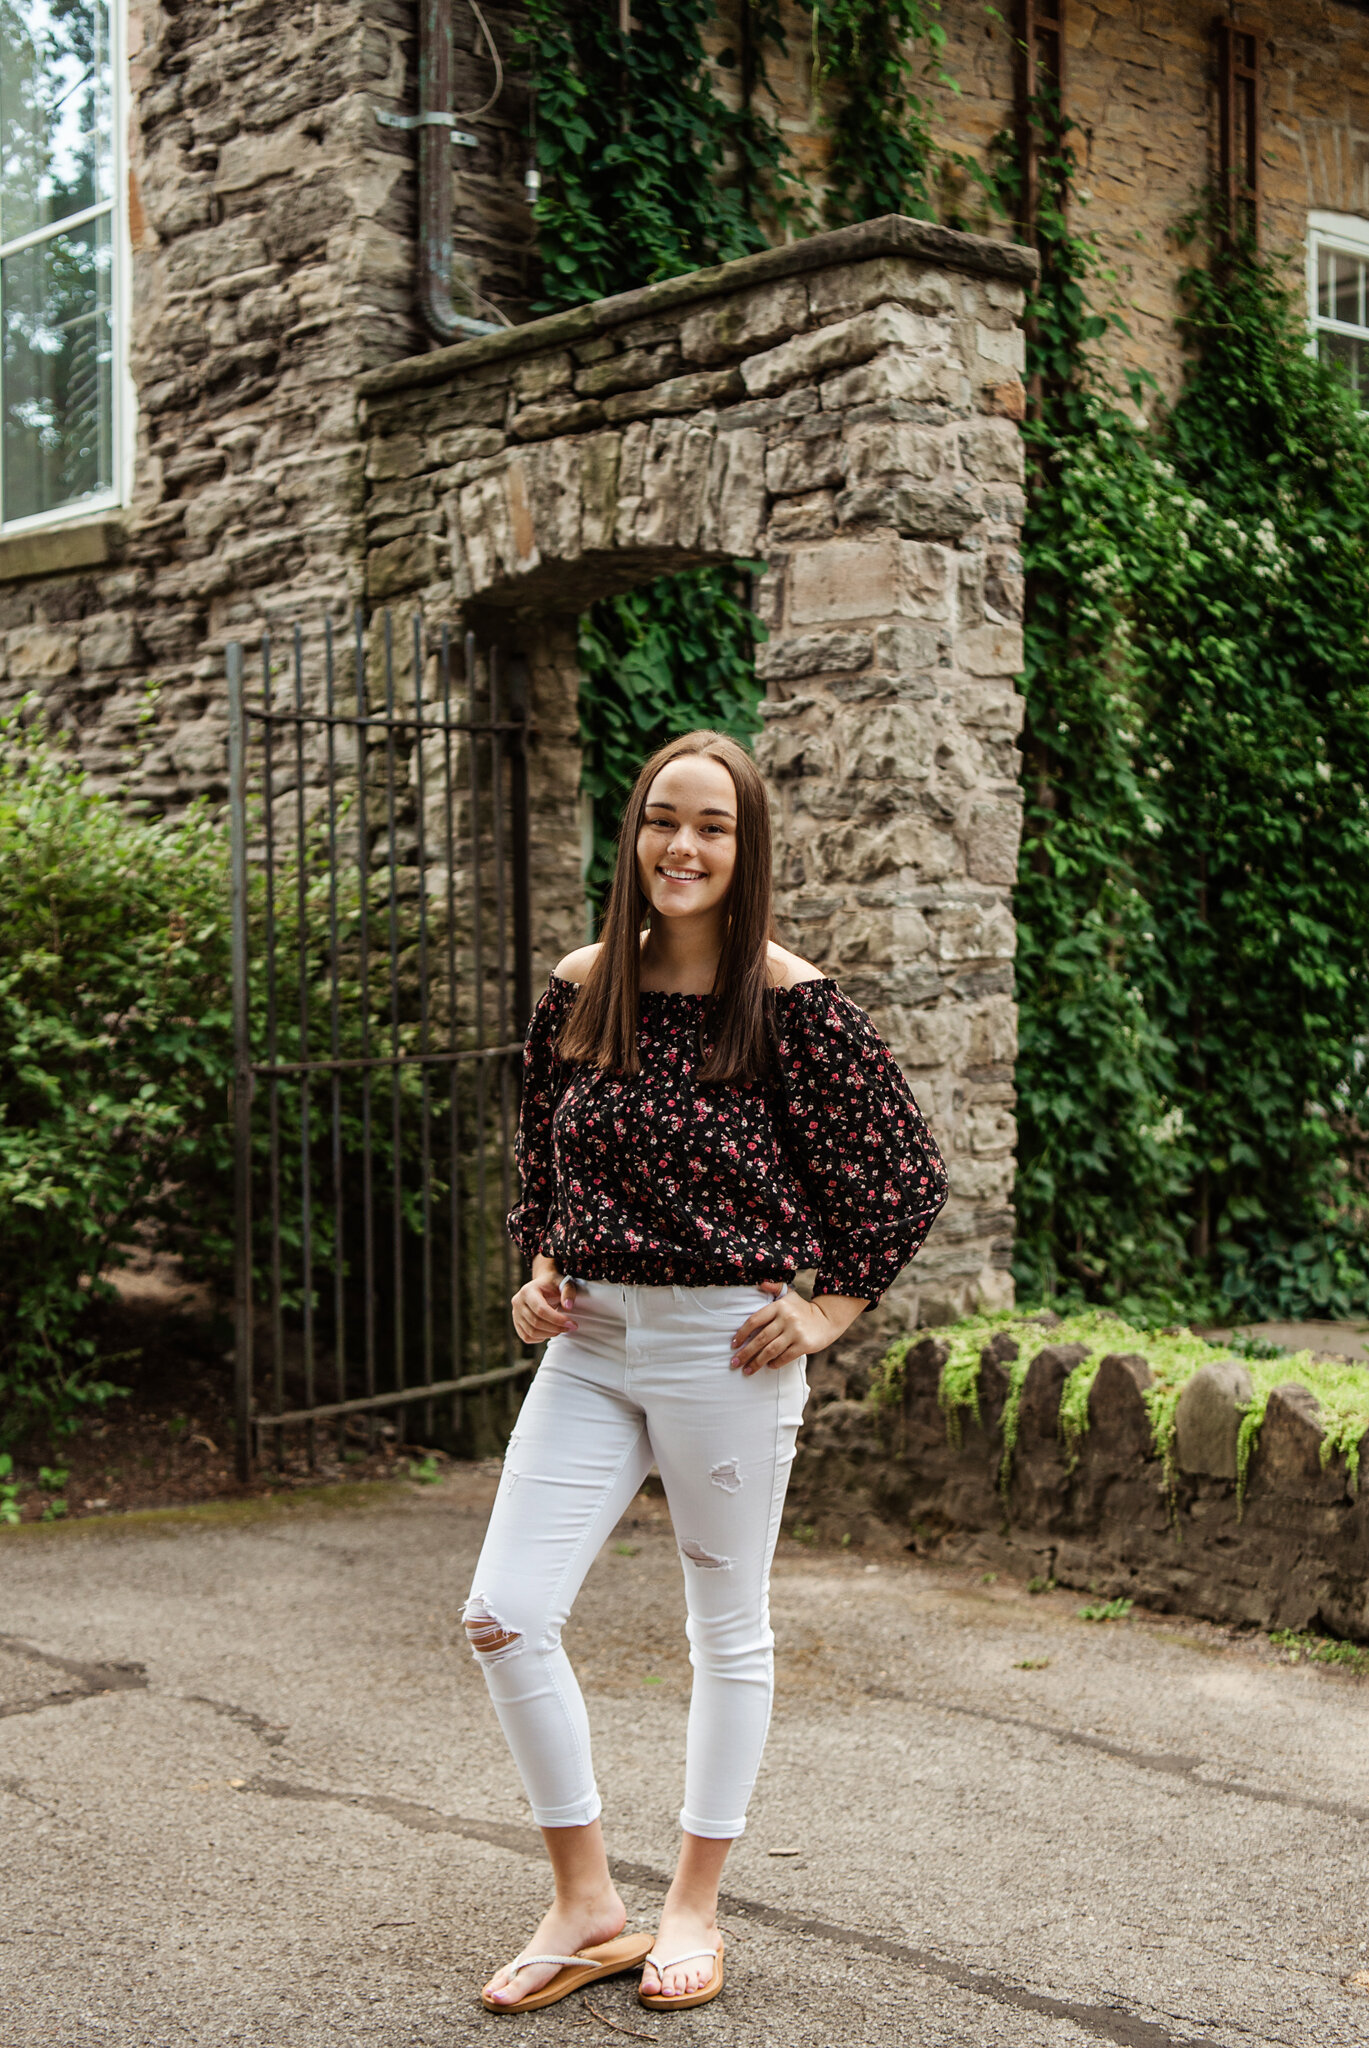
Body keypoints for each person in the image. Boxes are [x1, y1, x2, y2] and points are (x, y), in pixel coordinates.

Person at [466, 728, 949, 2016]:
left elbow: (905, 1172)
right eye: (664, 821)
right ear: (633, 837)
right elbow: (541, 1159)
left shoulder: (791, 1002)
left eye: (714, 827)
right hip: (591, 1345)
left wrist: (832, 1307)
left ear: (748, 848)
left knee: (723, 1632)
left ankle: (691, 1904)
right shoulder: (578, 988)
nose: (684, 847)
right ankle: (587, 1905)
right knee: (503, 1613)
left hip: (723, 1347)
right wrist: (538, 1267)